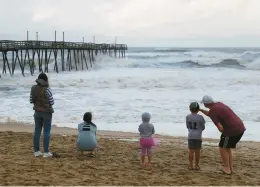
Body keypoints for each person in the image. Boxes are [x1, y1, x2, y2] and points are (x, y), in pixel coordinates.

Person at [199, 95, 246, 175]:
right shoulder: (218, 104)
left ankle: (227, 169)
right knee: (227, 148)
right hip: (240, 127)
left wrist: (225, 134)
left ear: (205, 104)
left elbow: (220, 127)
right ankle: (230, 168)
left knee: (222, 147)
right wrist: (200, 110)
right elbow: (210, 113)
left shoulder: (213, 111)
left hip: (232, 131)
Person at [30, 72, 54, 158]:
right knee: (46, 132)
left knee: (37, 131)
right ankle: (46, 152)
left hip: (37, 112)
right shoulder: (47, 89)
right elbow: (52, 102)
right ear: (45, 80)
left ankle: (36, 151)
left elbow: (31, 100)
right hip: (47, 113)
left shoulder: (33, 88)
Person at [186, 102, 205, 170]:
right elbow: (203, 127)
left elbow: (187, 126)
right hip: (198, 136)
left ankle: (191, 165)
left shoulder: (188, 116)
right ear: (198, 109)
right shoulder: (200, 117)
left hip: (190, 136)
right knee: (197, 152)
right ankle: (196, 165)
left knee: (191, 152)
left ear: (190, 109)